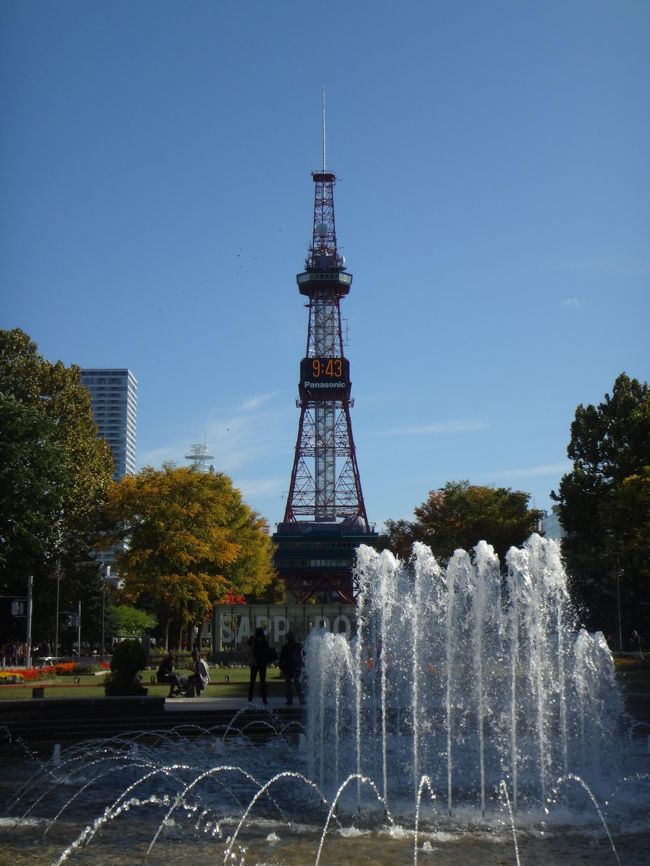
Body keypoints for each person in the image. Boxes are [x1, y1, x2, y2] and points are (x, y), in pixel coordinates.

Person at [278, 632, 305, 706]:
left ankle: (296, 700)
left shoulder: (297, 646)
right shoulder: (291, 646)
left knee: (294, 685)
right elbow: (282, 659)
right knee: (293, 685)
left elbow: (303, 656)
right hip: (291, 668)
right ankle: (298, 700)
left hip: (293, 668)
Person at [248, 627, 270, 705]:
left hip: (254, 663)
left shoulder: (253, 640)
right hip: (262, 663)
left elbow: (248, 643)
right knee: (263, 682)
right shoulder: (264, 641)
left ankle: (250, 698)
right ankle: (264, 699)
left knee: (252, 682)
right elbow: (267, 650)